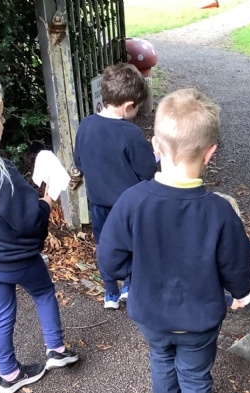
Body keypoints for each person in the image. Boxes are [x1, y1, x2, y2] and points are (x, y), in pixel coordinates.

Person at [97, 88, 250, 393]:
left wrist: (131, 273)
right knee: (196, 377)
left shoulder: (133, 201)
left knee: (161, 359)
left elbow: (109, 259)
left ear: (155, 145)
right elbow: (238, 263)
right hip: (198, 318)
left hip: (150, 313)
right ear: (210, 153)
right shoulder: (218, 211)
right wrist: (240, 292)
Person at [0, 76, 78, 393]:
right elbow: (30, 221)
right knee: (43, 292)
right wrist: (48, 198)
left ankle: (9, 374)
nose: (4, 120)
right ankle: (56, 350)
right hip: (18, 259)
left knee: (1, 312)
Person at [73, 63, 157, 309]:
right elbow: (147, 170)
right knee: (133, 243)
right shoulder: (130, 133)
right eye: (137, 107)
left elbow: (79, 161)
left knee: (105, 246)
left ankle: (110, 292)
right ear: (129, 105)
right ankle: (129, 284)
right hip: (129, 205)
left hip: (98, 203)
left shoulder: (86, 125)